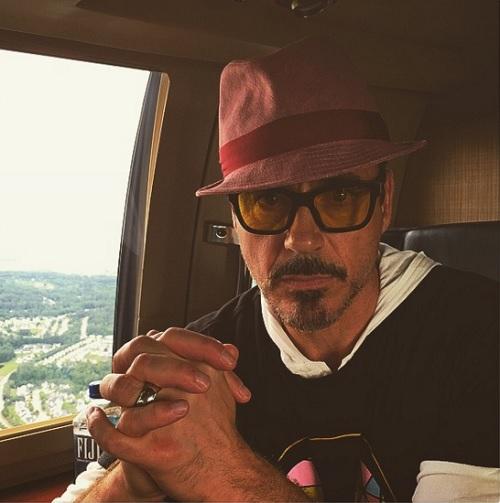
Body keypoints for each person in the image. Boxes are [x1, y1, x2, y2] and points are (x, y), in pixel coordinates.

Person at [58, 37, 499, 502]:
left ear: (384, 202)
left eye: (340, 197)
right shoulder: (205, 361)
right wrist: (134, 476)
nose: (301, 238)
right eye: (267, 201)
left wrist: (223, 472)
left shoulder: (479, 332)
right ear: (235, 221)